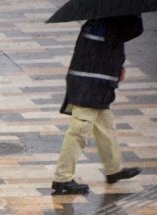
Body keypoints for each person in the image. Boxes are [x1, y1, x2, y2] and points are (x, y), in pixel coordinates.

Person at [51, 14, 143, 195]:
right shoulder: (108, 25)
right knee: (79, 130)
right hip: (90, 87)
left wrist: (118, 67)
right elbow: (131, 30)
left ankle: (113, 169)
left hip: (94, 85)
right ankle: (62, 179)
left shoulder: (104, 21)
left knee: (105, 127)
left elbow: (115, 45)